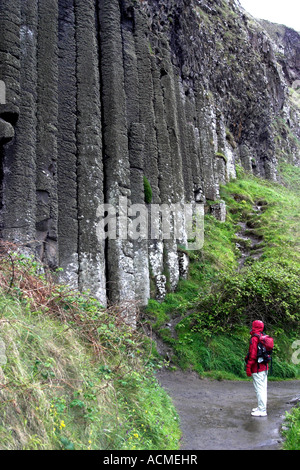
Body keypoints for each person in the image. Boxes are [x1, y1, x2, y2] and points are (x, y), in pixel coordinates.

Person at [246, 320, 268, 417]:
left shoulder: (255, 338)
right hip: (264, 366)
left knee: (260, 389)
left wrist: (248, 367)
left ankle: (262, 410)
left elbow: (253, 355)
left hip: (257, 368)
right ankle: (261, 407)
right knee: (263, 388)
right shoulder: (263, 336)